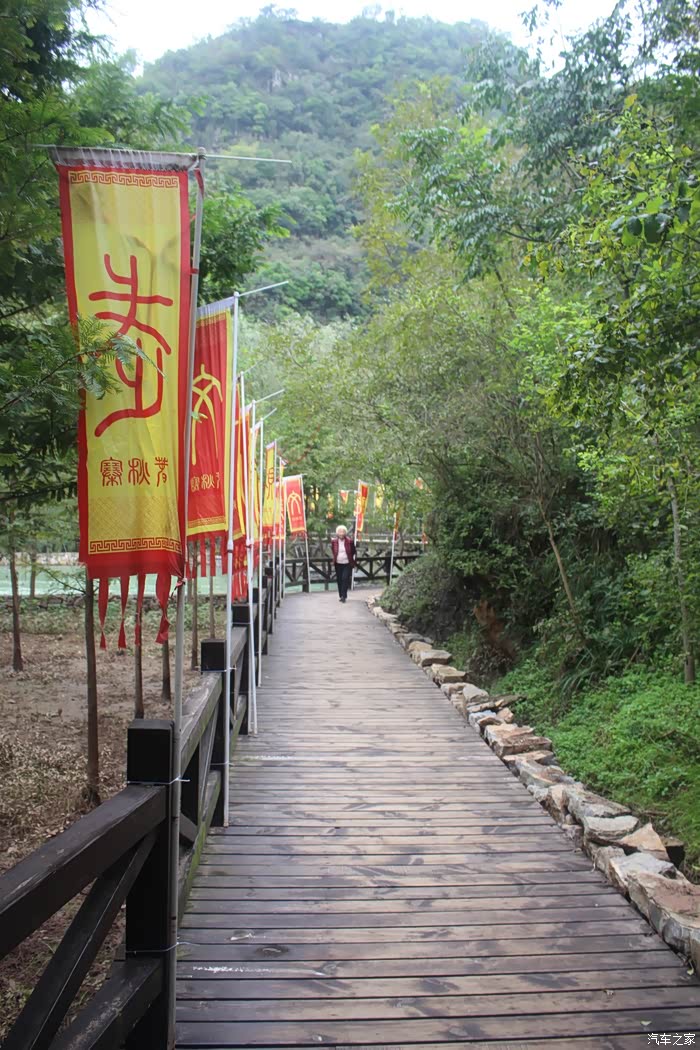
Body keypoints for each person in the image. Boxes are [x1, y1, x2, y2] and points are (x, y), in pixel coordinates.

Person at [331, 524, 356, 603]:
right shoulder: (334, 541)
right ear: (337, 533)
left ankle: (344, 596)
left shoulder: (350, 541)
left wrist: (350, 558)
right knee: (339, 579)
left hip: (347, 563)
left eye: (343, 532)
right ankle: (341, 595)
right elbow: (333, 550)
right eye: (340, 532)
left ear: (345, 533)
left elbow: (353, 551)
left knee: (345, 578)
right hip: (338, 563)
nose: (341, 533)